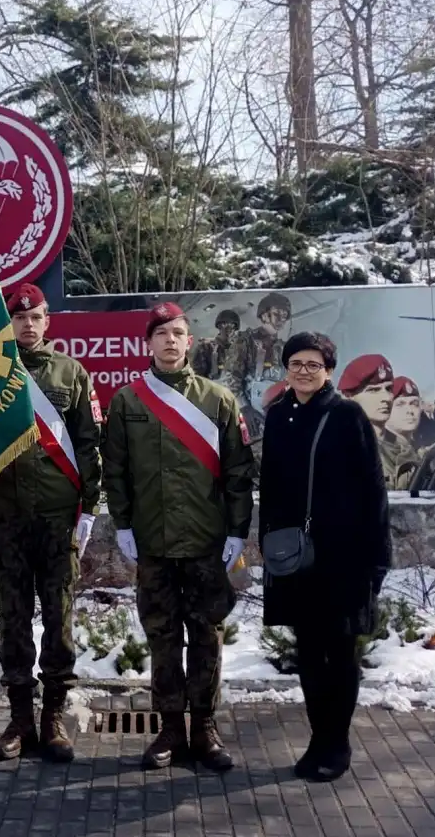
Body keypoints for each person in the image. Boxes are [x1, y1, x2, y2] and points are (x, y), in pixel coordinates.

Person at [102, 302, 255, 772]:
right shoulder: (128, 401)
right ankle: (170, 728)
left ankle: (205, 727)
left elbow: (238, 472)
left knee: (207, 636)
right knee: (162, 636)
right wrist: (122, 523)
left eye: (178, 333)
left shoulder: (218, 399)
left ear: (190, 341)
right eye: (161, 333)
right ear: (148, 342)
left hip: (206, 542)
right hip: (153, 543)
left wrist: (237, 531)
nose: (170, 340)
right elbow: (116, 471)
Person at [259, 332, 390, 782]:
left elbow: (375, 491)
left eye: (313, 364)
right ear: (286, 368)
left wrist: (377, 560)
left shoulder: (348, 416)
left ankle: (338, 743)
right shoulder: (278, 416)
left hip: (344, 558)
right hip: (297, 558)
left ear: (329, 370)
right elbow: (271, 487)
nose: (304, 371)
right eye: (296, 363)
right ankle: (318, 738)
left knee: (340, 651)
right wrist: (269, 548)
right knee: (310, 652)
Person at [0, 282, 102, 764]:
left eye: (35, 317)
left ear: (47, 321)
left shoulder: (70, 373)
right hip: (9, 518)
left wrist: (89, 508)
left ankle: (53, 717)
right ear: (9, 323)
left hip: (58, 517)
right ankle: (19, 720)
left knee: (59, 618)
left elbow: (89, 443)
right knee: (13, 620)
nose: (28, 325)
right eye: (19, 318)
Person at [337, 354, 419, 490]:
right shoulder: (340, 448)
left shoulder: (403, 447)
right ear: (348, 397)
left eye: (388, 389)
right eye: (373, 390)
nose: (386, 398)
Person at [222, 294, 292, 450]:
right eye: (277, 314)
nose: (281, 319)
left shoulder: (282, 346)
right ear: (264, 315)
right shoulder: (245, 341)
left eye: (285, 315)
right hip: (251, 416)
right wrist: (243, 407)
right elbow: (230, 377)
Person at [191, 309, 240, 381]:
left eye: (232, 325)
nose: (228, 328)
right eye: (224, 324)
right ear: (219, 326)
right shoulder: (205, 348)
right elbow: (198, 378)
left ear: (235, 328)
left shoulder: (240, 349)